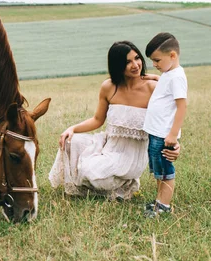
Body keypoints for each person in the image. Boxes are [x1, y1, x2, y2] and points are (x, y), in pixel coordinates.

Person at [48, 41, 179, 200]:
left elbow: (168, 121)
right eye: (127, 62)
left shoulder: (153, 88)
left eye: (137, 58)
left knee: (93, 173)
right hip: (108, 144)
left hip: (132, 154)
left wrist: (175, 145)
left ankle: (125, 183)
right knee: (71, 142)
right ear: (117, 65)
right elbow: (97, 119)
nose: (135, 65)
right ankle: (110, 183)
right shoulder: (109, 87)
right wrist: (72, 129)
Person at [143, 32, 187, 218]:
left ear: (172, 56)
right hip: (156, 132)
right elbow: (165, 84)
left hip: (164, 134)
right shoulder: (169, 74)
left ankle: (164, 206)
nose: (154, 64)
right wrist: (155, 76)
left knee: (166, 171)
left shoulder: (176, 77)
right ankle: (159, 201)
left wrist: (173, 134)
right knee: (158, 171)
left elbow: (182, 106)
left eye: (157, 60)